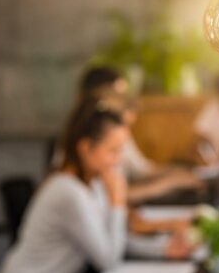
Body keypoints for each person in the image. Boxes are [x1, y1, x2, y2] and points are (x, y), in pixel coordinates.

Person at [0, 96, 130, 273]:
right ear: (85, 148)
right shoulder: (68, 192)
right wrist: (117, 203)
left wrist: (164, 249)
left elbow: (112, 238)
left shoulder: (93, 183)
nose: (119, 159)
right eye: (113, 151)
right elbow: (108, 260)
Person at [69, 67, 202, 204]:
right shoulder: (76, 177)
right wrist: (166, 184)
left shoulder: (116, 132)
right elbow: (114, 197)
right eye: (119, 95)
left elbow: (140, 171)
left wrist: (177, 174)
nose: (126, 100)